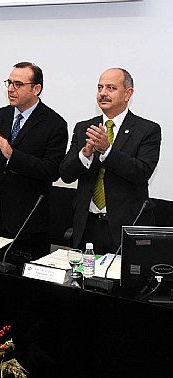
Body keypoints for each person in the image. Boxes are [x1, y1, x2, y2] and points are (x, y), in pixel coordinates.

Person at [0, 62, 68, 257]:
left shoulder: (54, 124)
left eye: (18, 84)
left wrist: (13, 156)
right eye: (9, 83)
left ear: (36, 89)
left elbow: (52, 170)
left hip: (29, 223)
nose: (11, 89)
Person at [59, 68, 161, 254]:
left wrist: (108, 150)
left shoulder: (147, 130)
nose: (103, 93)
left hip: (125, 228)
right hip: (87, 226)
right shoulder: (84, 128)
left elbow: (142, 172)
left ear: (128, 93)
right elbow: (65, 174)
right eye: (100, 88)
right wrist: (85, 153)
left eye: (111, 88)